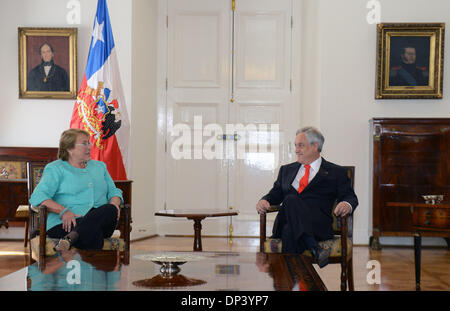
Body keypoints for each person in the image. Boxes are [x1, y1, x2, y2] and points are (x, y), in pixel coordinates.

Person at [256, 127, 358, 268]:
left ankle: (291, 283)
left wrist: (346, 204)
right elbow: (275, 193)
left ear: (315, 146)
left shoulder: (336, 172)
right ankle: (314, 247)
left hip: (318, 226)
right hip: (285, 220)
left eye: (301, 145)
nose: (296, 150)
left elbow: (350, 197)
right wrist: (264, 200)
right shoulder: (286, 170)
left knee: (289, 231)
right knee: (290, 200)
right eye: (295, 145)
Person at [29, 128, 123, 251]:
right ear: (69, 148)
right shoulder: (55, 168)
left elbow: (114, 191)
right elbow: (38, 197)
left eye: (89, 143)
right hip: (67, 224)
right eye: (84, 143)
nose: (90, 146)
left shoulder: (100, 167)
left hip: (101, 220)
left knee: (110, 209)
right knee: (94, 234)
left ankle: (69, 239)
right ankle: (95, 268)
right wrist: (64, 211)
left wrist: (115, 204)